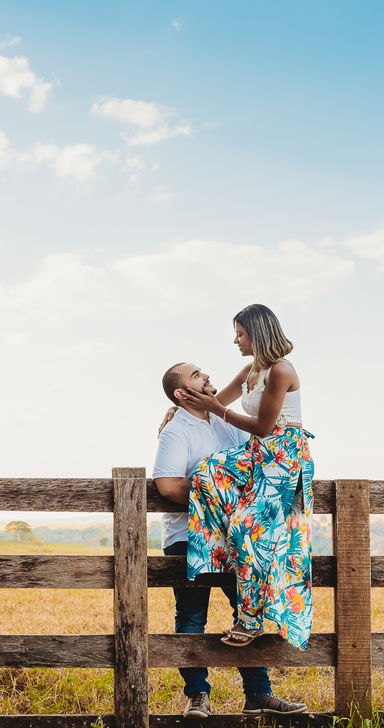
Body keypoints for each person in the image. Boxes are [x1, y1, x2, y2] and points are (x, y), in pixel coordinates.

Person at [154, 361, 308, 719]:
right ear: (182, 393)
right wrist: (221, 497)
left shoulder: (227, 423)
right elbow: (169, 486)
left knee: (247, 610)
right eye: (196, 375)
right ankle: (197, 696)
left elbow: (256, 463)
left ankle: (259, 694)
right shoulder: (176, 431)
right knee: (192, 616)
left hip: (236, 539)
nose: (206, 376)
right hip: (189, 537)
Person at [173, 304, 314, 652]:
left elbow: (263, 427)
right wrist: (177, 411)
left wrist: (218, 410)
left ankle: (251, 618)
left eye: (240, 333)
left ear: (258, 333)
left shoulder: (280, 371)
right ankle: (217, 544)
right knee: (207, 469)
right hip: (256, 453)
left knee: (248, 529)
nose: (235, 340)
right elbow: (213, 402)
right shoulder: (251, 370)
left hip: (283, 453)